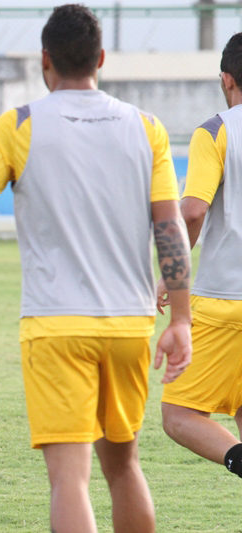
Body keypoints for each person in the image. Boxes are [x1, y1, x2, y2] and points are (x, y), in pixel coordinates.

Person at [0, 5, 191, 533]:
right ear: (101, 59)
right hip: (129, 324)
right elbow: (171, 230)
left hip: (56, 325)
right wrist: (183, 319)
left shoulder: (20, 124)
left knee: (70, 481)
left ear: (44, 60)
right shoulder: (146, 127)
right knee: (125, 468)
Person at [158, 32, 242, 481]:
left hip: (225, 298)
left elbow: (192, 210)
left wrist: (172, 273)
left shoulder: (218, 130)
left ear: (226, 79)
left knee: (179, 415)